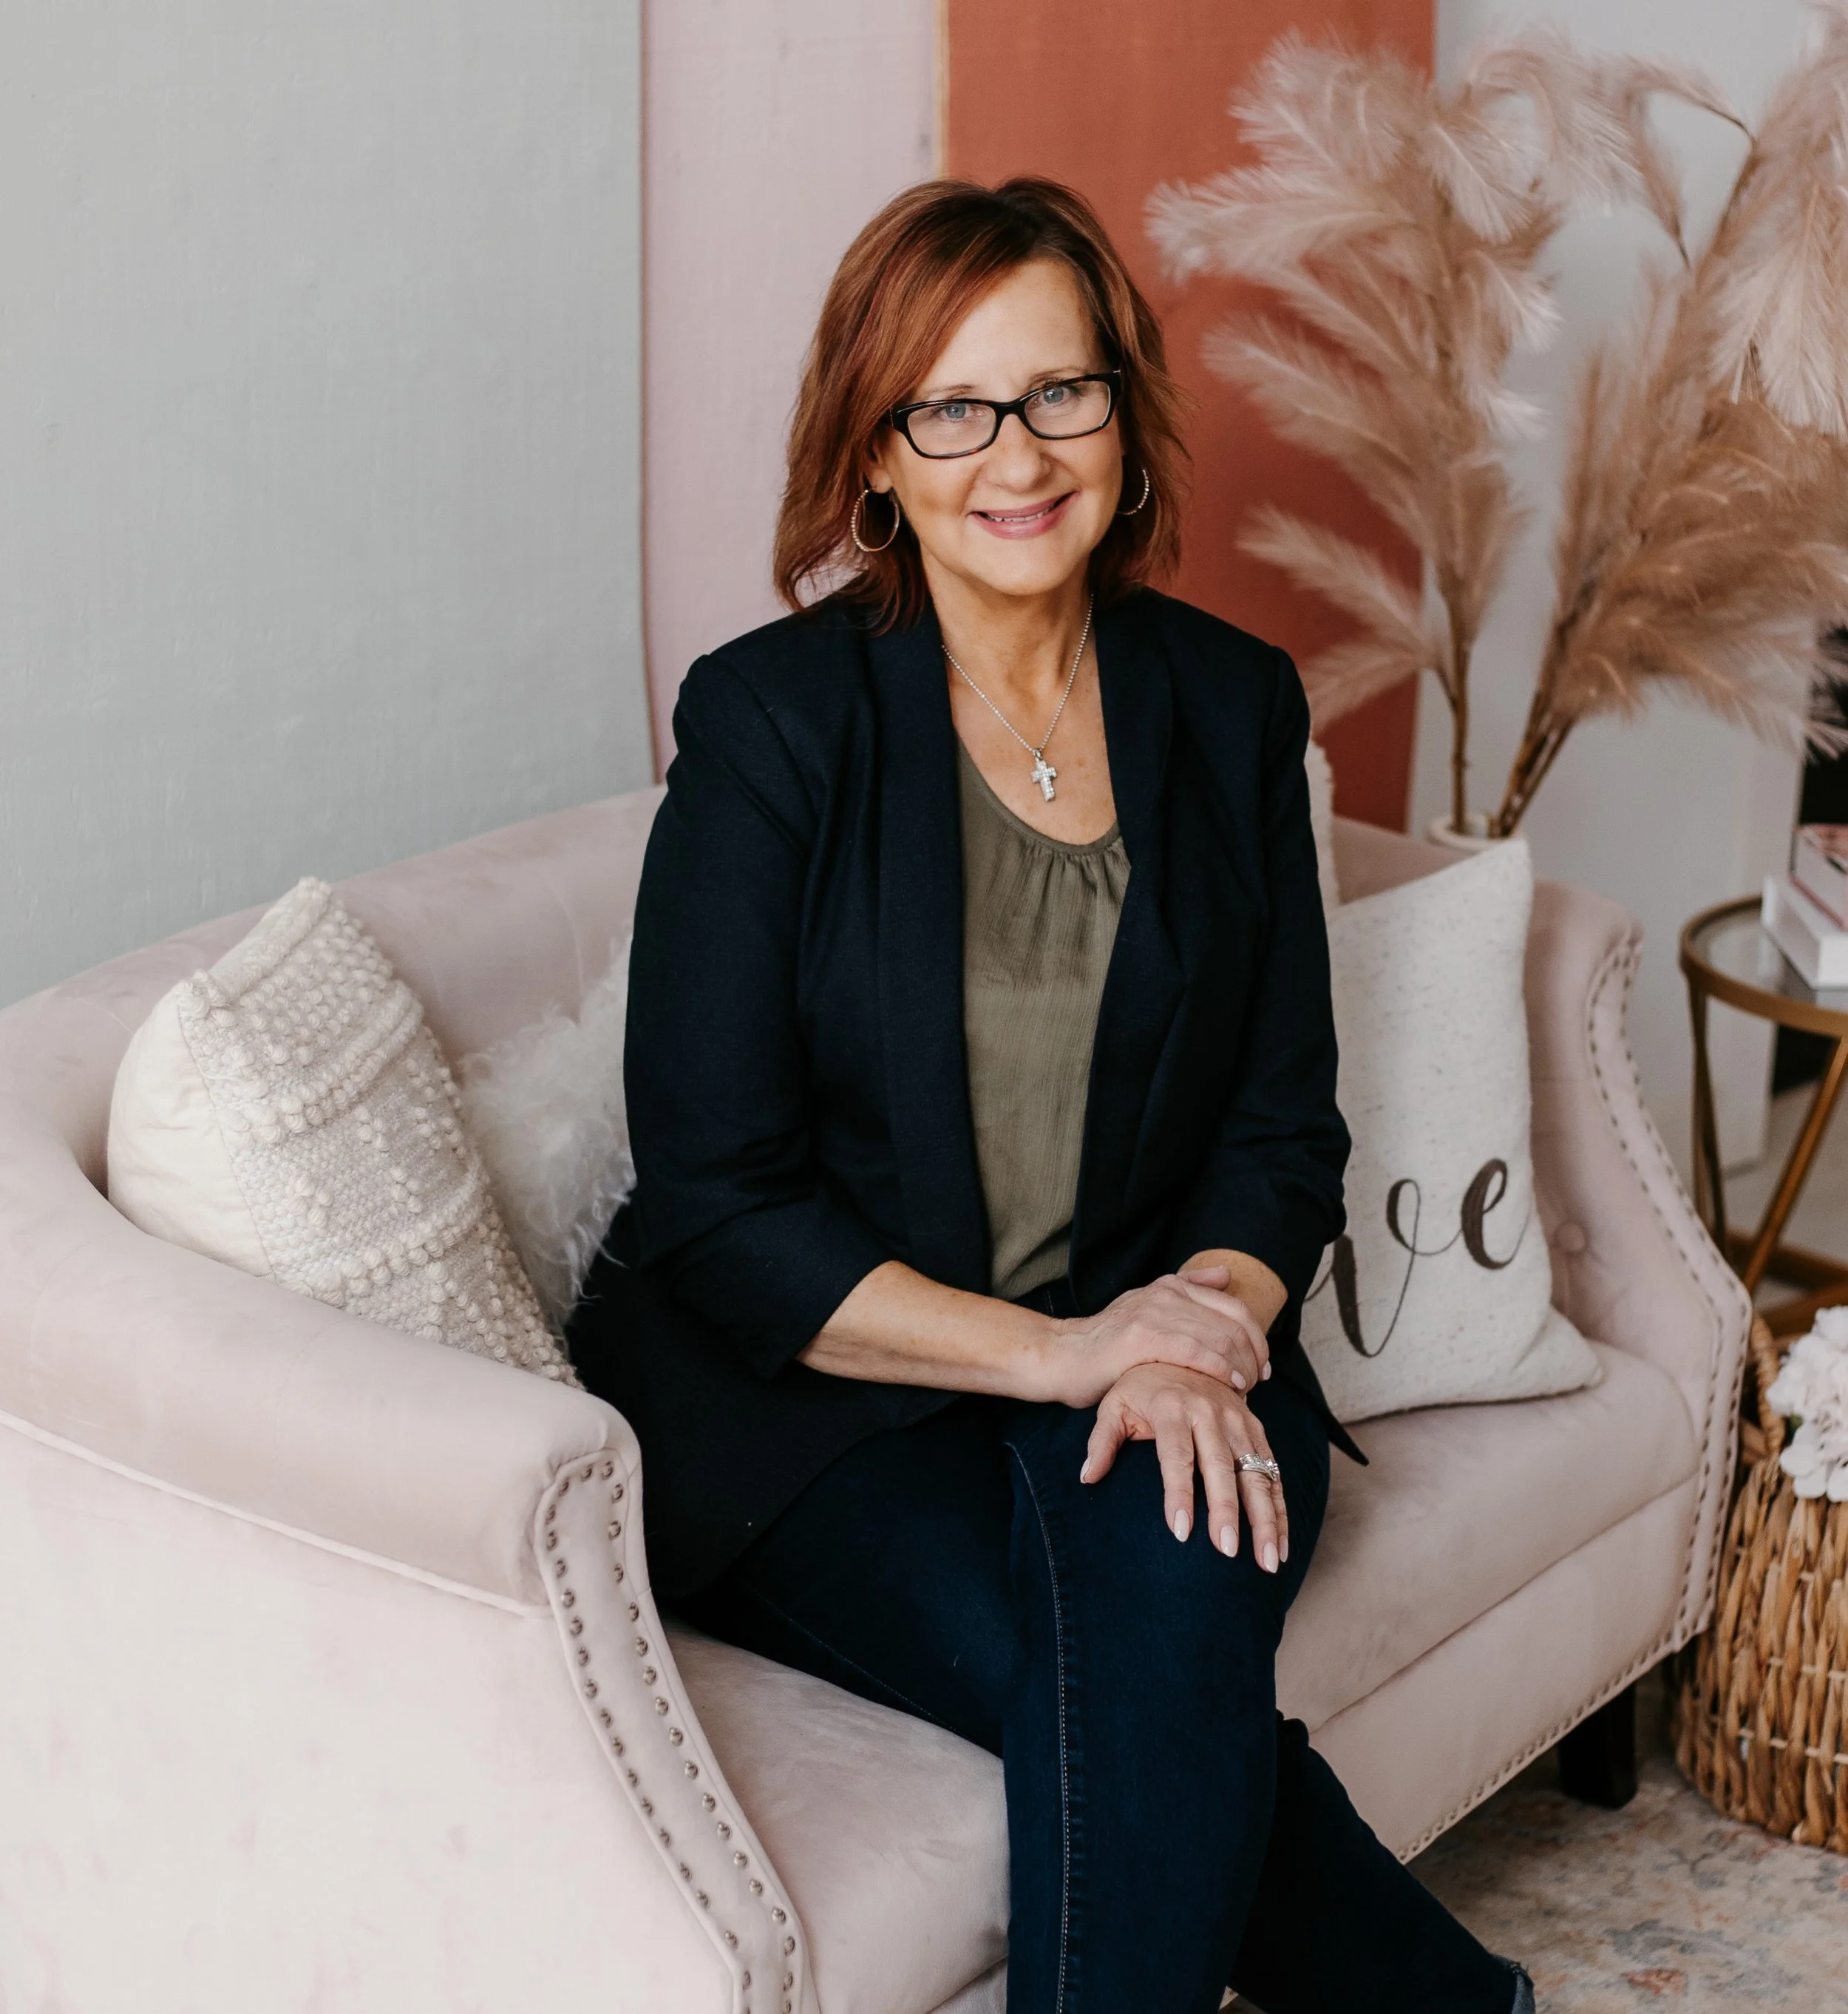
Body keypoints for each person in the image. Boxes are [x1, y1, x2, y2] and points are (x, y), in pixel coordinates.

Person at [568, 177, 1534, 2014]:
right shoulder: (772, 725)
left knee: (1159, 1604)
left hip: (1144, 1345)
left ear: (1121, 419)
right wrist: (1063, 1355)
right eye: (948, 408)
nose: (1012, 454)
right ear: (874, 458)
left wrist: (1193, 1329)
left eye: (1056, 394)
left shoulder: (1231, 708)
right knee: (1138, 1664)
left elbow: (1277, 1125)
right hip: (810, 1406)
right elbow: (717, 1201)